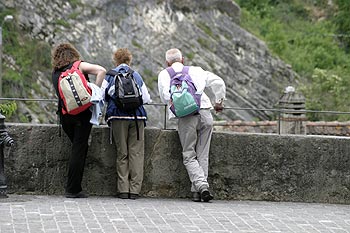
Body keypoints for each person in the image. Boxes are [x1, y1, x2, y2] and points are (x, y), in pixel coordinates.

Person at [158, 48, 226, 202]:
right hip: (205, 113)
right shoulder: (196, 70)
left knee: (189, 155)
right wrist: (219, 101)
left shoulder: (164, 74)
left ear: (167, 62)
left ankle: (201, 185)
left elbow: (165, 97)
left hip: (186, 117)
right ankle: (197, 191)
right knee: (203, 154)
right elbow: (218, 82)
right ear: (183, 60)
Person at [51, 43, 106, 198]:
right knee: (79, 150)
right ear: (73, 54)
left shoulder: (55, 73)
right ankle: (73, 189)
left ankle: (73, 187)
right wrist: (96, 91)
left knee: (77, 148)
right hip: (82, 116)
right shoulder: (78, 65)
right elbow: (101, 70)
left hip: (65, 116)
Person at [103, 48, 151, 200]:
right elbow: (146, 98)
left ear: (115, 60)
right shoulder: (136, 75)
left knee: (122, 153)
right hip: (137, 119)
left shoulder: (110, 75)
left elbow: (102, 95)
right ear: (129, 60)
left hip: (117, 118)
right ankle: (135, 190)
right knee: (136, 154)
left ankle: (123, 189)